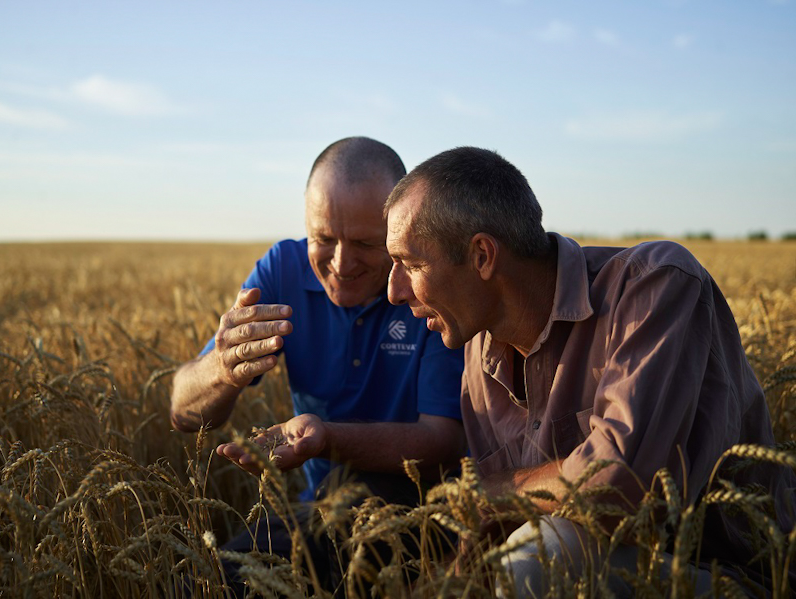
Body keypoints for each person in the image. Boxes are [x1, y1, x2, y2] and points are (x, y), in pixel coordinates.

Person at [384, 146, 795, 596]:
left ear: (482, 255)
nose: (394, 292)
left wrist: (494, 490)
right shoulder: (480, 352)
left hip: (729, 577)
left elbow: (617, 485)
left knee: (542, 558)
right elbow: (494, 522)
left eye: (411, 264)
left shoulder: (652, 285)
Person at [169, 137, 465, 593]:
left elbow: (443, 441)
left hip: (429, 513)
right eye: (323, 239)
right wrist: (222, 369)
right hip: (319, 510)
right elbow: (182, 412)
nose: (341, 264)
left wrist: (327, 440)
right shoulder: (282, 269)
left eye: (365, 243)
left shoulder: (430, 277)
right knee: (208, 584)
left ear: (400, 229)